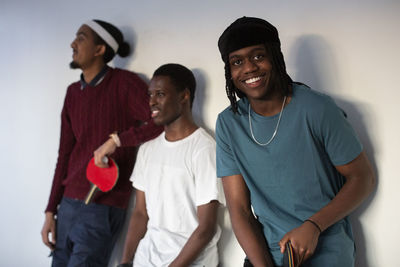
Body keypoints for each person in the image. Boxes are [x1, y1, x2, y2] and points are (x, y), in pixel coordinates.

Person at [215, 17, 375, 267]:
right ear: (229, 71)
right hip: (266, 256)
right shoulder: (229, 123)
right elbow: (239, 209)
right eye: (237, 62)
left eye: (258, 56)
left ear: (276, 58)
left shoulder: (317, 109)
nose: (248, 68)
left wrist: (313, 225)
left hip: (325, 250)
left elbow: (363, 178)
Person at [40, 19, 163, 266]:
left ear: (100, 49)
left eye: (81, 38)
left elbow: (160, 120)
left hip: (102, 206)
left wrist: (117, 140)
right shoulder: (73, 93)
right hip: (68, 205)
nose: (73, 43)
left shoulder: (125, 83)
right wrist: (50, 210)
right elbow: (64, 154)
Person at [119, 63, 225, 267]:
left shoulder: (204, 149)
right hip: (146, 259)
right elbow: (140, 213)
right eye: (150, 95)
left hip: (191, 262)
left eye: (160, 94)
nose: (151, 102)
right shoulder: (147, 149)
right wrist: (125, 262)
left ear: (184, 96)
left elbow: (206, 228)